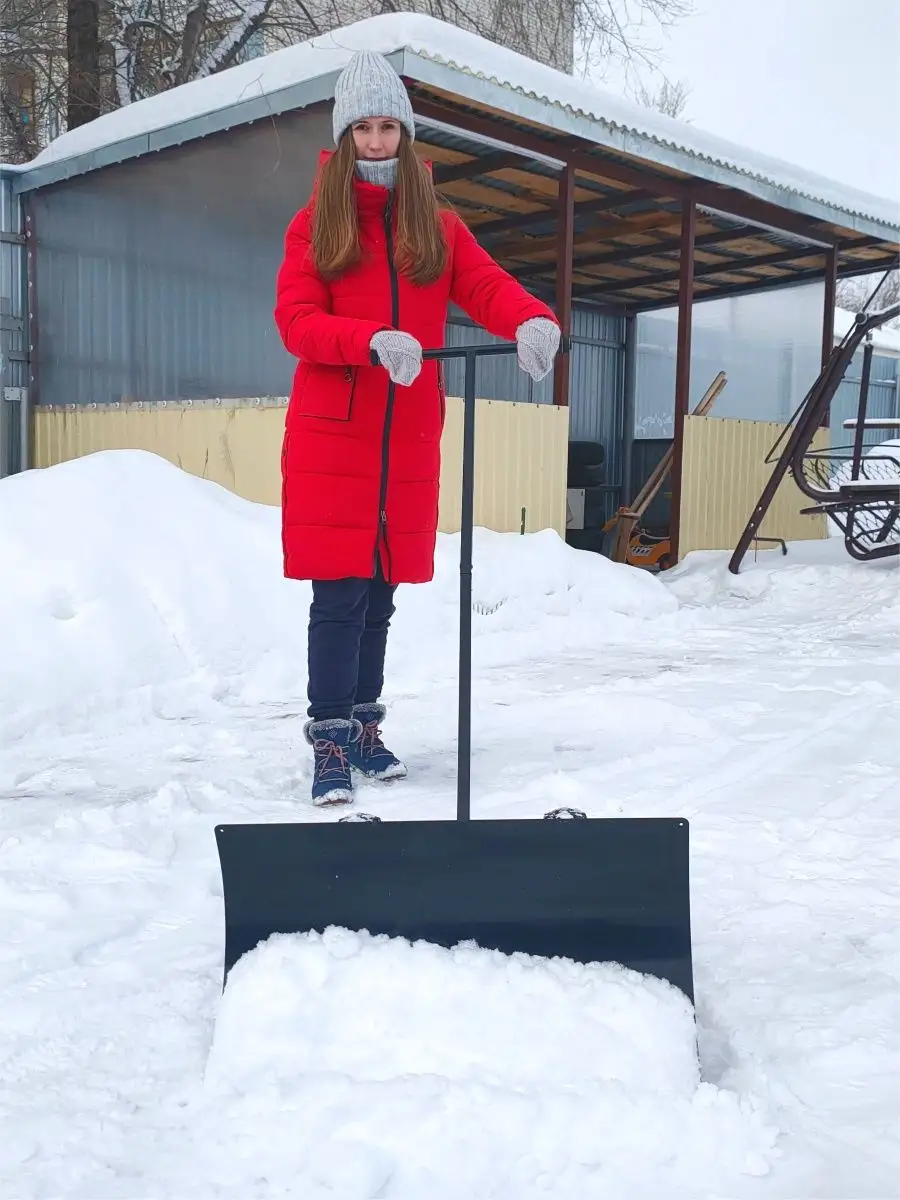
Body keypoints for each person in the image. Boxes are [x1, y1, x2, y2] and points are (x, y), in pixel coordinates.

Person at [274, 50, 561, 806]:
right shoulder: (315, 225)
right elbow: (296, 321)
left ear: (405, 134)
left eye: (387, 127)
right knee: (338, 594)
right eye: (362, 128)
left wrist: (531, 317)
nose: (375, 141)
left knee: (380, 594)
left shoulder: (436, 224)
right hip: (334, 435)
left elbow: (484, 284)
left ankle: (366, 728)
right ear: (344, 139)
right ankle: (330, 741)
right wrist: (365, 338)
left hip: (405, 438)